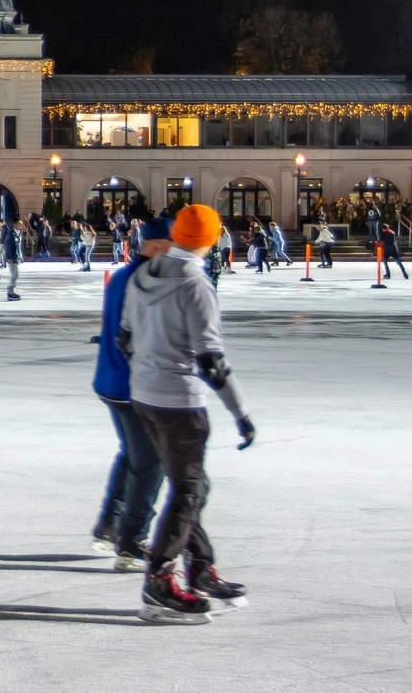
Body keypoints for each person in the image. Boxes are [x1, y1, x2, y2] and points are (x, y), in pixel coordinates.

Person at [120, 203, 255, 623]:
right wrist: (241, 413)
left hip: (144, 396)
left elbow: (125, 339)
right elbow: (211, 361)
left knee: (190, 487)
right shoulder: (196, 284)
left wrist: (147, 373)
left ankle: (200, 569)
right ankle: (159, 583)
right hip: (179, 401)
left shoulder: (144, 273)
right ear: (212, 239)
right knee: (188, 491)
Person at [92, 215, 168, 572]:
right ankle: (130, 540)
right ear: (154, 246)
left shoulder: (123, 274)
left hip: (111, 381)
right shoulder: (144, 279)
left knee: (134, 454)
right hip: (131, 385)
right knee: (150, 462)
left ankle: (110, 525)